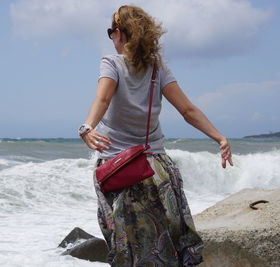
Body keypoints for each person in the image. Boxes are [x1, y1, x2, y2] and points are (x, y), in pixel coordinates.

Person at [78, 5, 234, 267]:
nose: (111, 38)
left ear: (120, 33)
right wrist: (219, 137)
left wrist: (87, 127)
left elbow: (102, 98)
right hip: (157, 170)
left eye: (110, 31)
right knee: (167, 243)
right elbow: (187, 110)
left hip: (120, 171)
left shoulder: (111, 63)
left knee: (129, 248)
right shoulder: (158, 68)